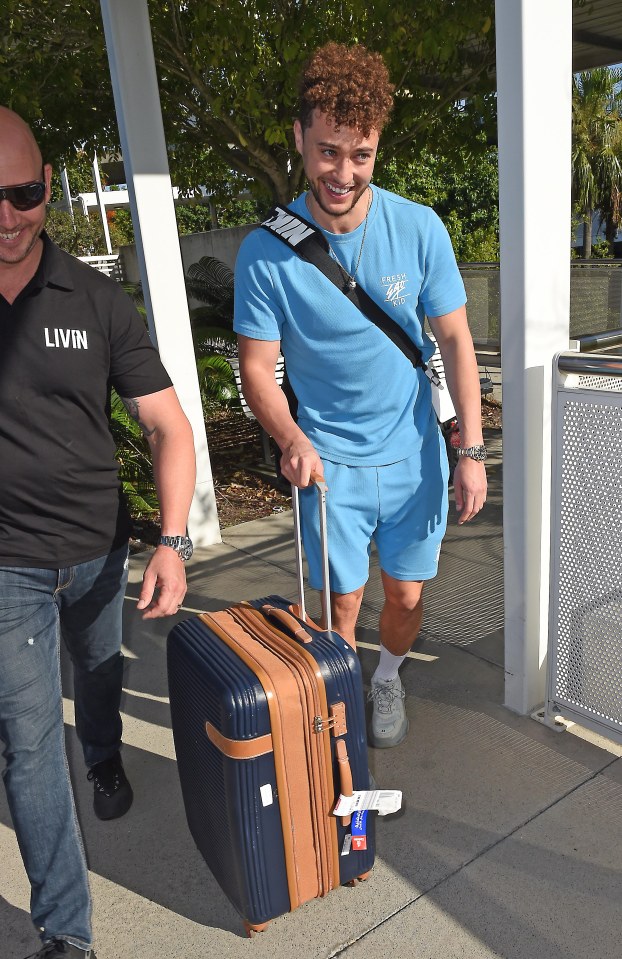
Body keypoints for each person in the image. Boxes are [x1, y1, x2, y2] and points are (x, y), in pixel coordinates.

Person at [234, 43, 487, 751]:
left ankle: (388, 675)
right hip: (328, 465)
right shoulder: (266, 250)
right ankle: (341, 706)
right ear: (299, 139)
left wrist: (468, 451)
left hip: (412, 456)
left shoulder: (419, 228)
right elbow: (258, 367)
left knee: (405, 596)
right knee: (339, 605)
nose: (343, 173)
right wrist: (290, 436)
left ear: (377, 147)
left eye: (361, 155)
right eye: (327, 152)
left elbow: (458, 342)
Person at [0, 107, 196, 959]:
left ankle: (108, 752)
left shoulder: (95, 297)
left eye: (25, 193)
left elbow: (169, 428)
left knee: (99, 671)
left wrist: (174, 542)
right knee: (32, 743)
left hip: (96, 551)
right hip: (6, 566)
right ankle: (67, 933)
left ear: (48, 186)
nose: (8, 216)